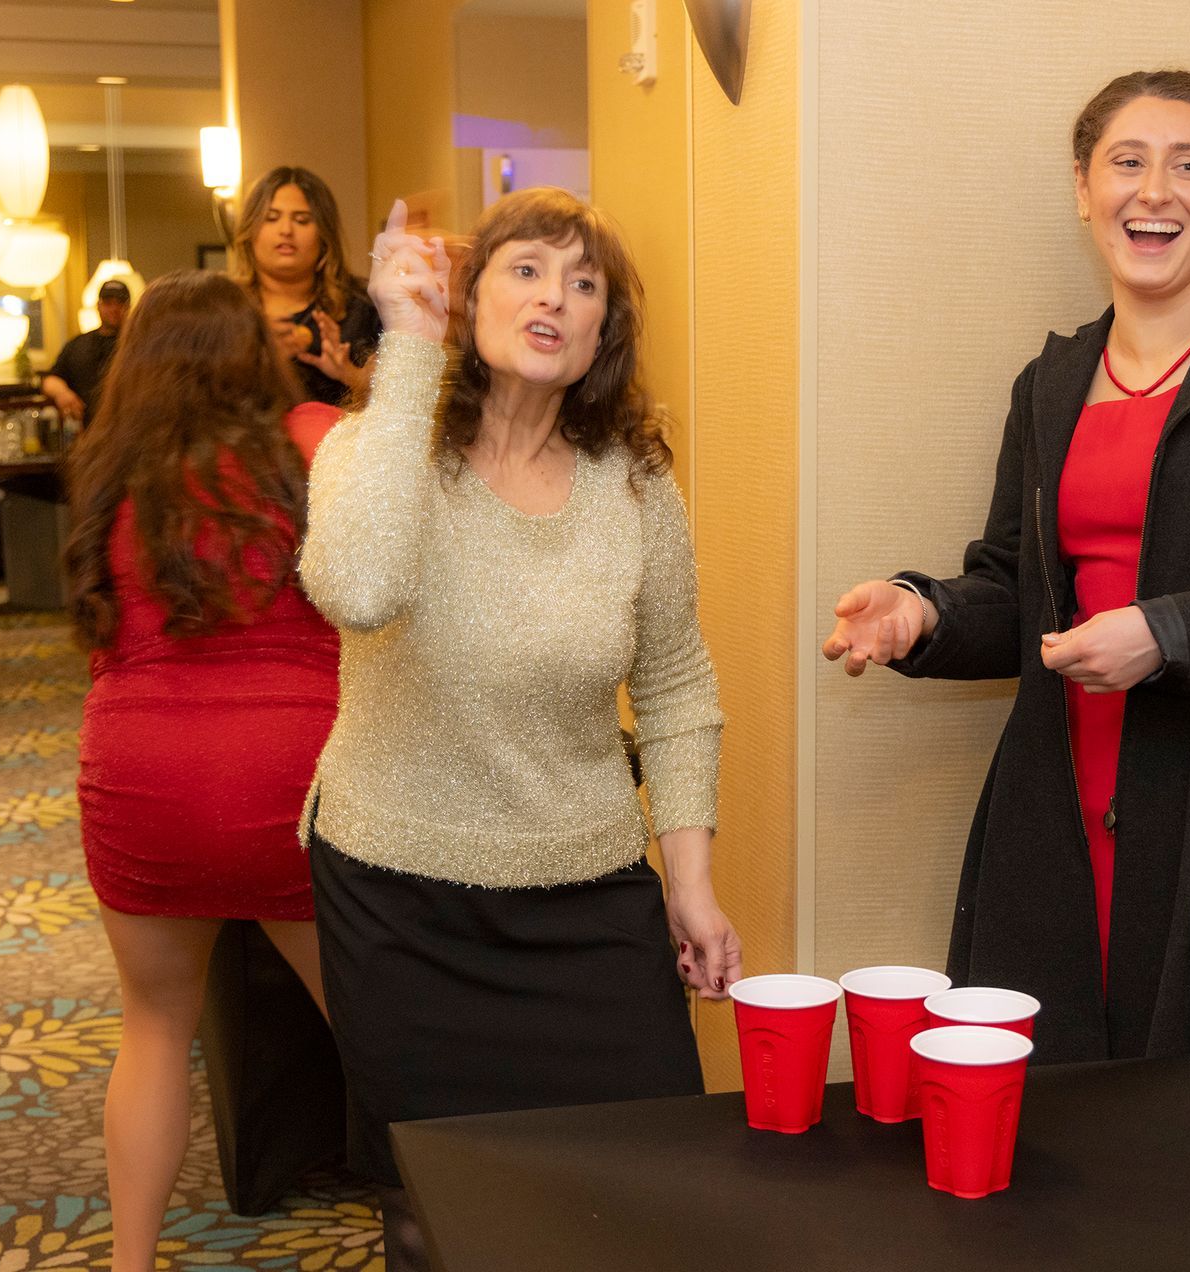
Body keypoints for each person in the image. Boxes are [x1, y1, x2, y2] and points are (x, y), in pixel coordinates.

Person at [821, 69, 1190, 1176]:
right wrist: (923, 612)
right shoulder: (1049, 383)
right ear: (1084, 188)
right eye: (1128, 162)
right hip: (1065, 797)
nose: (1157, 191)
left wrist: (1172, 633)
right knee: (1065, 1146)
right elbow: (1016, 589)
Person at [300, 189, 741, 1267]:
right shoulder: (372, 449)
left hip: (588, 903)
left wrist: (690, 884)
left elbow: (677, 686)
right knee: (437, 1212)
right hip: (400, 899)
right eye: (528, 269)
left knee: (641, 1191)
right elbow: (357, 587)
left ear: (603, 332)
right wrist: (408, 348)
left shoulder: (636, 489)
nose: (556, 296)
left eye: (584, 282)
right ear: (469, 296)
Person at [62, 270, 342, 1271]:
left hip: (138, 779)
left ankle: (128, 1264)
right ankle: (433, 1235)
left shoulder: (108, 467)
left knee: (151, 1029)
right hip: (286, 785)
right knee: (376, 1037)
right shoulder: (307, 442)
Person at [230, 165, 380, 406]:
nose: (286, 230)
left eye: (301, 220)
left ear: (324, 235)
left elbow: (401, 407)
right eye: (271, 218)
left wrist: (351, 375)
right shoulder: (224, 308)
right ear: (250, 231)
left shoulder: (364, 306)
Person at [40, 279, 130, 424]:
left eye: (119, 303)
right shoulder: (78, 344)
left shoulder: (138, 344)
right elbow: (50, 379)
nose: (114, 308)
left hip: (127, 429)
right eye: (108, 303)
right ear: (98, 306)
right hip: (85, 429)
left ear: (128, 307)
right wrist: (63, 394)